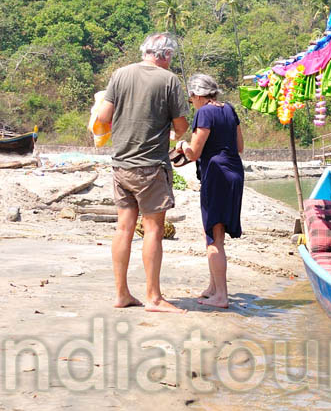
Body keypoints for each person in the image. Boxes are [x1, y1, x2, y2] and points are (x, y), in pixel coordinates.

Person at [94, 33, 189, 313]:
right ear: (165, 55)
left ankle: (122, 293)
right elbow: (181, 126)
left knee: (123, 228)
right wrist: (172, 132)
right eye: (170, 56)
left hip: (121, 164)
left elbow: (103, 117)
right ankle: (154, 297)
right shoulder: (168, 80)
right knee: (153, 229)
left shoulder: (120, 74)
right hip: (150, 165)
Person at [177, 73, 245, 309]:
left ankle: (221, 296)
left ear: (196, 95)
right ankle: (214, 287)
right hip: (235, 172)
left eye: (191, 99)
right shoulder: (229, 109)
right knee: (216, 235)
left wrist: (182, 145)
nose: (192, 103)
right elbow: (240, 146)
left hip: (217, 175)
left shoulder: (204, 112)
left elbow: (194, 153)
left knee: (214, 237)